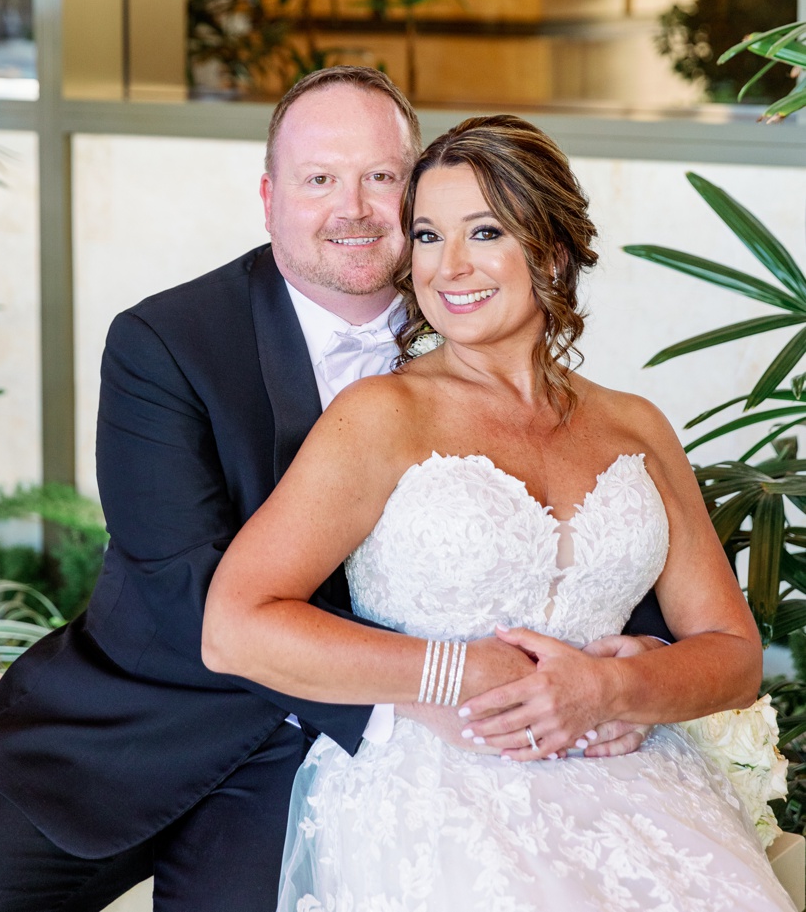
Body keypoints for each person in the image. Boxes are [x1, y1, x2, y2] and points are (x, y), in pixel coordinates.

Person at [0, 68, 671, 911]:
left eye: (382, 177)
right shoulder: (166, 341)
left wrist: (636, 668)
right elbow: (184, 584)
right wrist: (420, 691)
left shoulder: (474, 315)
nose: (356, 208)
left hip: (322, 772)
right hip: (139, 722)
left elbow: (568, 506)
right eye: (320, 179)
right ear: (269, 197)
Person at [203, 113, 789, 910]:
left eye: (484, 231)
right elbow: (233, 625)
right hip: (439, 789)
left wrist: (617, 690)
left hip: (638, 779)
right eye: (427, 234)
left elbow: (733, 653)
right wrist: (453, 671)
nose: (449, 266)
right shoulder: (380, 416)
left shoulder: (637, 426)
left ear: (548, 250)